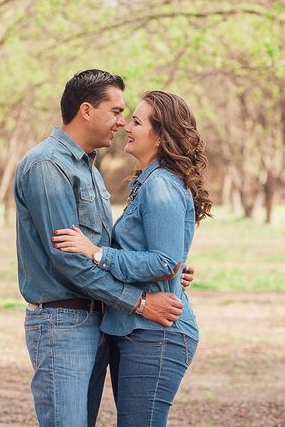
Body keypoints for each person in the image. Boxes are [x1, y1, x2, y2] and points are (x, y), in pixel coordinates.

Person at [14, 70, 193, 427]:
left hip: (99, 319)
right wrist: (140, 302)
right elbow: (70, 261)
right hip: (63, 322)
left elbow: (104, 247)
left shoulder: (90, 170)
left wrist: (160, 268)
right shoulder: (48, 166)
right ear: (86, 110)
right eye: (116, 111)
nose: (122, 122)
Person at [52, 90, 212, 426]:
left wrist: (96, 252)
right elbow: (166, 261)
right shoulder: (149, 182)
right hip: (139, 331)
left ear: (160, 136)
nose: (127, 126)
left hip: (158, 333)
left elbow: (163, 261)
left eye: (137, 122)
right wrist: (171, 269)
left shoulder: (161, 187)